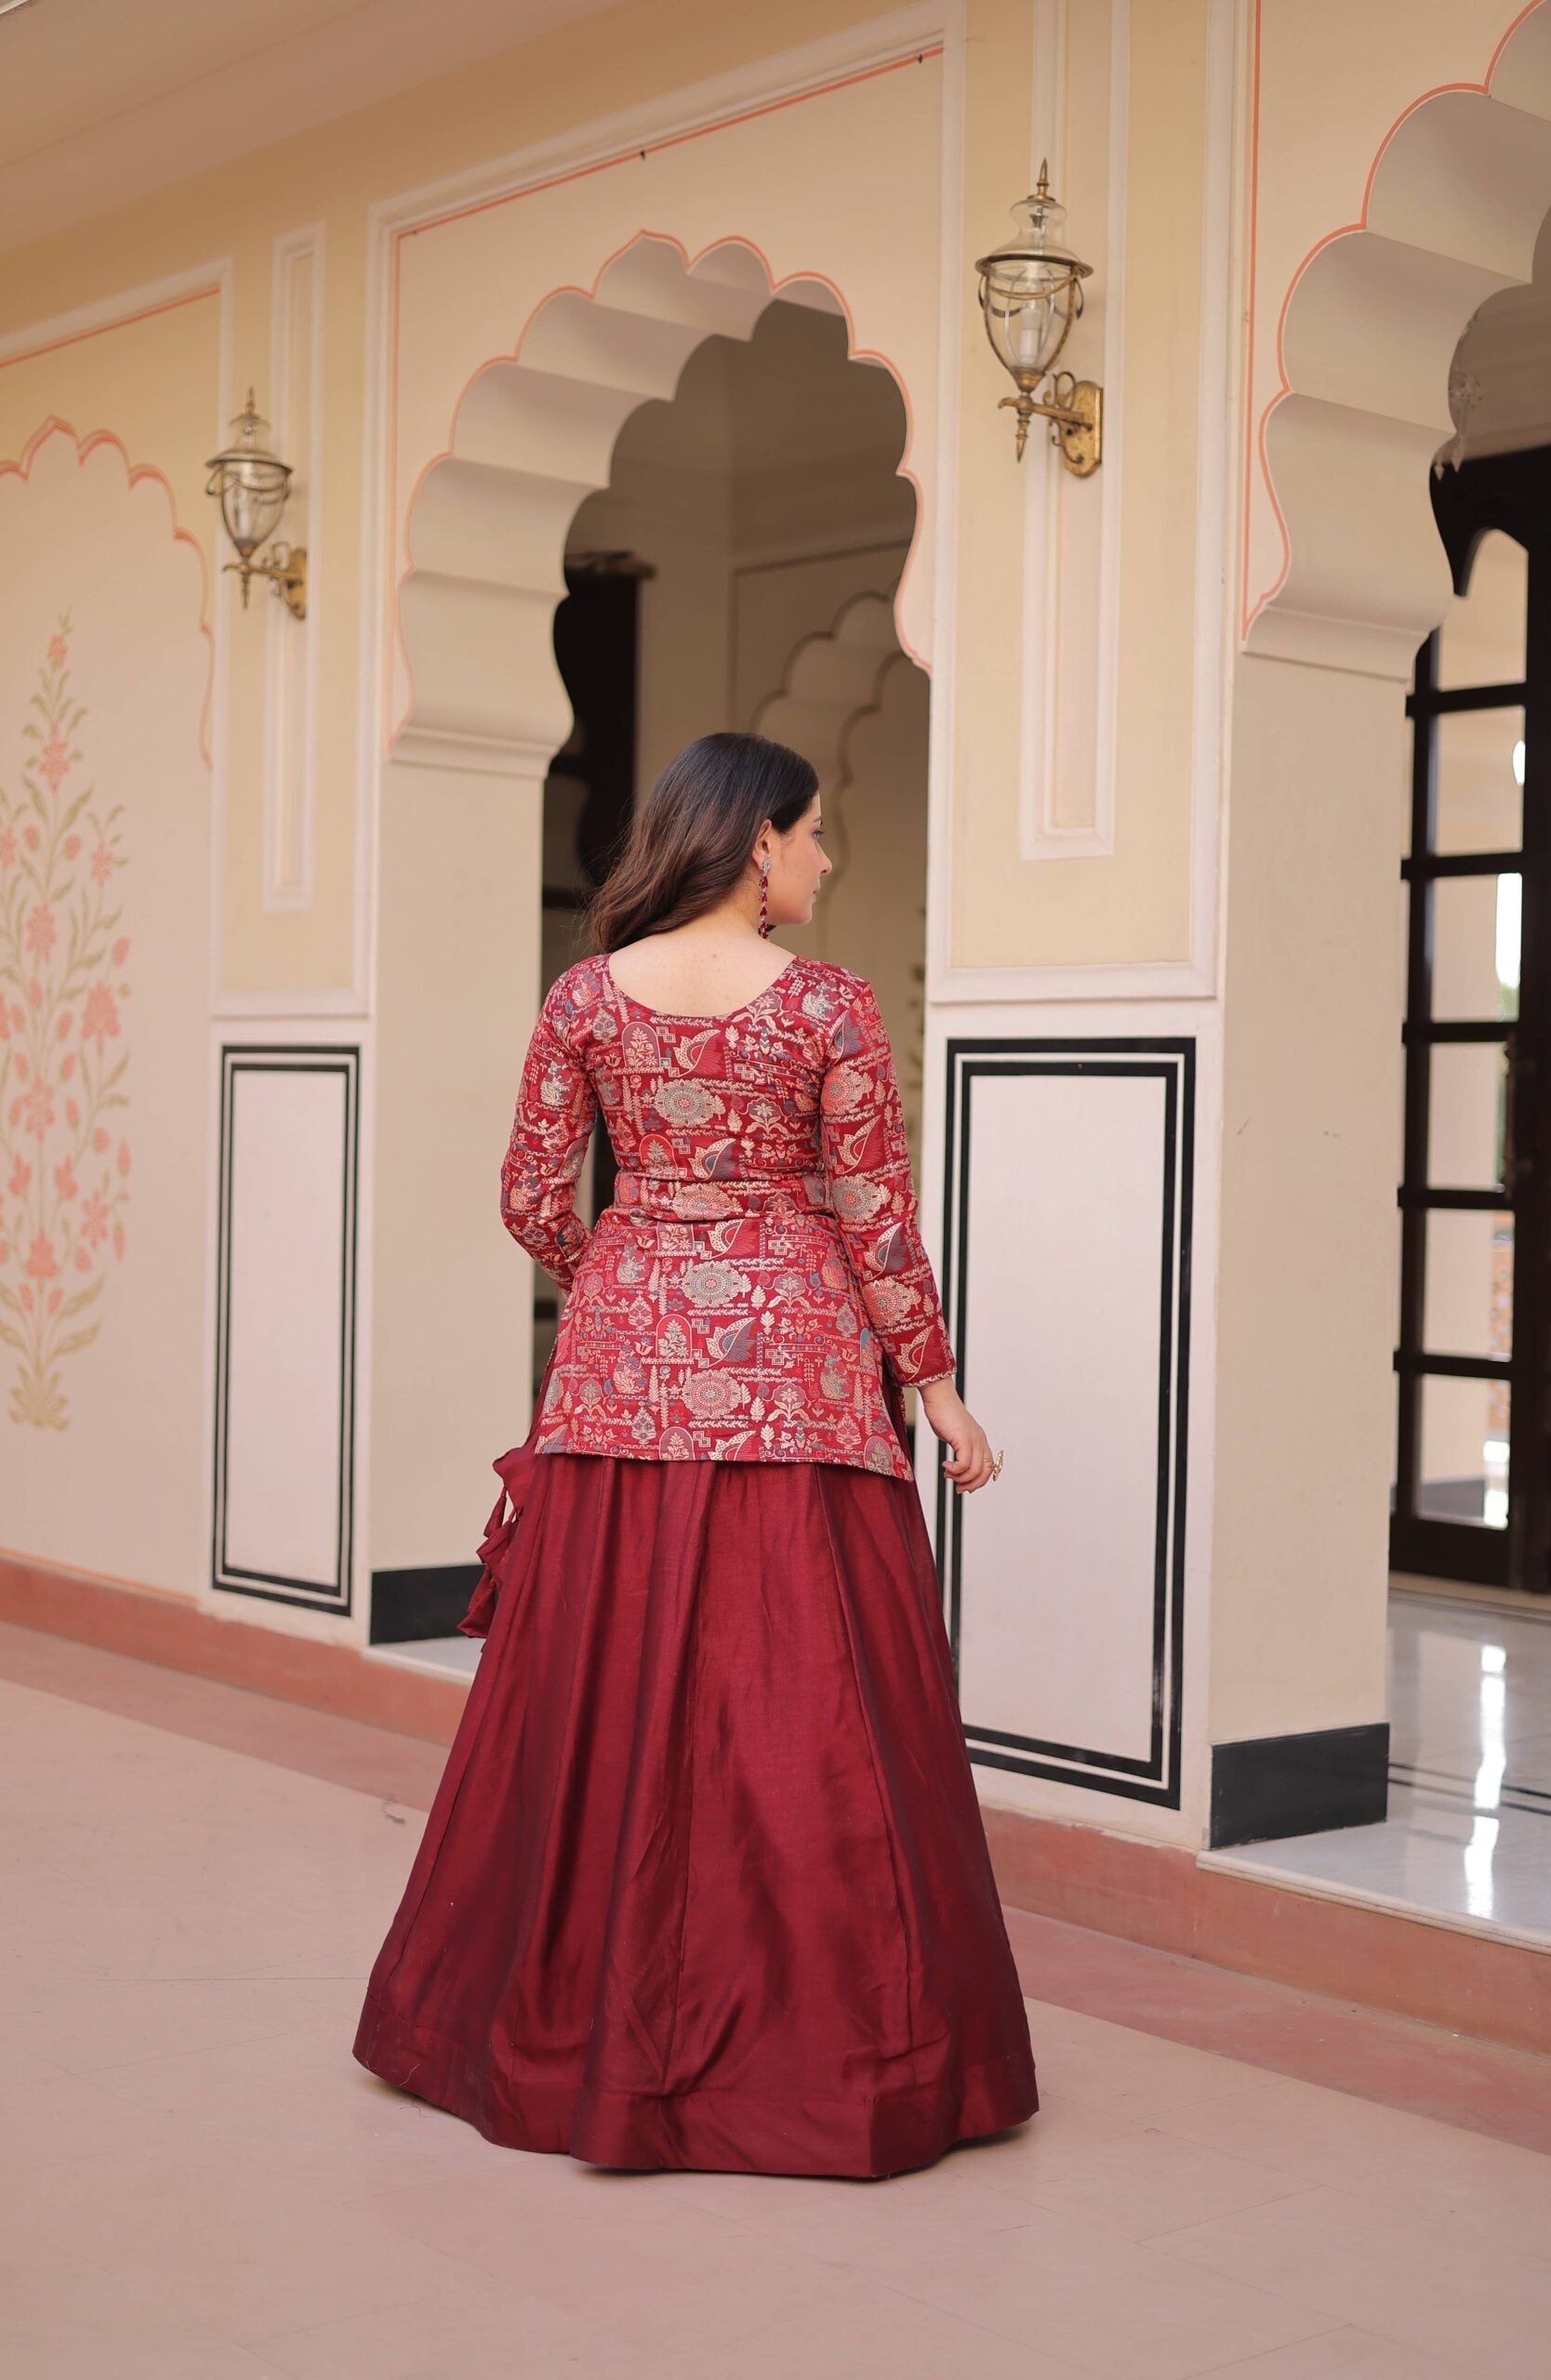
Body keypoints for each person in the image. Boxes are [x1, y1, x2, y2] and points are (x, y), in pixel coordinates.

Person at [352, 730, 1039, 2178]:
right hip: (800, 1378)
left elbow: (531, 1193)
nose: (826, 858)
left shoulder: (587, 996)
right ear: (756, 842)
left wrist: (622, 1276)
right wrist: (935, 1387)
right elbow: (876, 1218)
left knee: (599, 1693)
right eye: (813, 832)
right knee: (807, 1703)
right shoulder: (829, 1006)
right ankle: (836, 2059)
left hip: (620, 1379)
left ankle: (561, 2031)